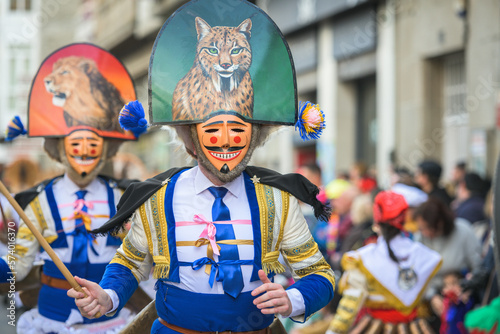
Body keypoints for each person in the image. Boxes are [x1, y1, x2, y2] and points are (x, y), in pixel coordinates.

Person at [67, 1, 336, 333]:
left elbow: (319, 274)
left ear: (253, 139)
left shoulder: (277, 201)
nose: (225, 142)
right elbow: (129, 263)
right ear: (190, 141)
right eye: (212, 132)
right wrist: (107, 297)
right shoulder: (158, 199)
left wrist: (293, 298)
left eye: (237, 132)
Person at [0, 43, 139, 333]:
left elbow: (141, 259)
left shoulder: (124, 200)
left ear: (107, 149)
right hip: (52, 319)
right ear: (59, 149)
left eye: (93, 144)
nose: (85, 151)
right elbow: (18, 264)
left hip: (110, 322)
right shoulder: (37, 203)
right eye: (76, 144)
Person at [326, 191, 442, 334]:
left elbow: (350, 305)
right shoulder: (424, 255)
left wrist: (334, 331)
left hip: (375, 328)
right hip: (415, 327)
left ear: (377, 222)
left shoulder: (364, 258)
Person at [413, 198, 482, 325]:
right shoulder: (420, 239)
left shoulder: (463, 230)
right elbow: (417, 275)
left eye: (425, 228)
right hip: (433, 297)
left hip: (463, 293)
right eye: (420, 228)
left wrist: (466, 286)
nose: (422, 232)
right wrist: (432, 296)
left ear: (438, 223)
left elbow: (478, 266)